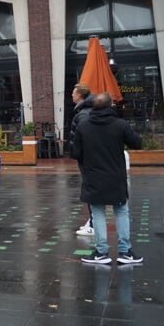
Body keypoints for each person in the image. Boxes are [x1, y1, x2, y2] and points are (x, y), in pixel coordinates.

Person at [71, 93, 143, 264]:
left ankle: (101, 252)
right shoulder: (120, 125)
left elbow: (75, 153)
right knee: (121, 212)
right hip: (116, 176)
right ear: (111, 105)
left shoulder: (83, 126)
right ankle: (125, 251)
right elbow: (137, 143)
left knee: (98, 213)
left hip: (93, 176)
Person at [70, 83, 96, 235]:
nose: (72, 95)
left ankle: (93, 224)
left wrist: (78, 153)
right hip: (86, 157)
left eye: (74, 92)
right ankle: (92, 220)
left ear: (80, 95)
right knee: (89, 188)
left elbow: (84, 137)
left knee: (90, 188)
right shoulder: (84, 111)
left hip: (88, 159)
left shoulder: (84, 114)